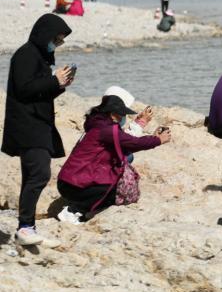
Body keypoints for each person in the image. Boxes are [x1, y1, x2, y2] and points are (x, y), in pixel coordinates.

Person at [2, 14, 74, 247]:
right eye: (57, 39)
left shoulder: (39, 57)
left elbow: (38, 92)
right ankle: (25, 227)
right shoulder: (26, 55)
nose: (58, 44)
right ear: (45, 35)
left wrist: (59, 85)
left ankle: (26, 228)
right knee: (40, 174)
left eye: (61, 41)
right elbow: (23, 90)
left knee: (31, 176)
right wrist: (54, 81)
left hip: (36, 124)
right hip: (27, 126)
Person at [56, 94, 170, 222]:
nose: (122, 117)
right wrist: (158, 140)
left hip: (66, 181)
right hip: (74, 184)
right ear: (111, 113)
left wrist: (147, 131)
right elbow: (133, 143)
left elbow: (125, 142)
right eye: (121, 113)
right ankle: (74, 211)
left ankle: (79, 209)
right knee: (114, 189)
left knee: (114, 177)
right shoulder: (107, 130)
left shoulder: (96, 124)